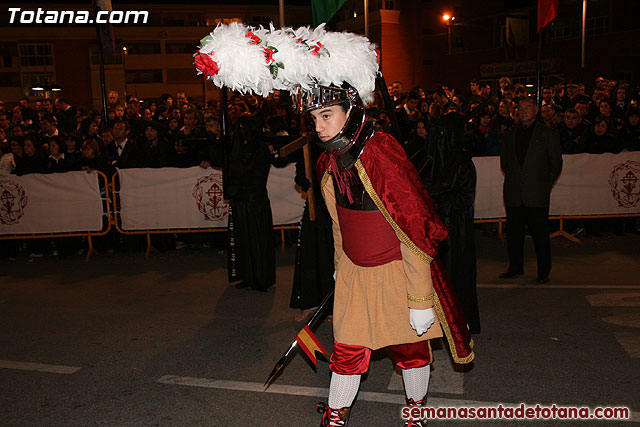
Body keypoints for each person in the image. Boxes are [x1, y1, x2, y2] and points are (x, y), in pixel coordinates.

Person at [195, 23, 473, 427]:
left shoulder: (382, 154)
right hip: (357, 275)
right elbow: (339, 227)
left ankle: (416, 410)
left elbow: (413, 231)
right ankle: (336, 413)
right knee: (347, 351)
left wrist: (418, 299)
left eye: (326, 115)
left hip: (399, 274)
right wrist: (342, 268)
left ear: (351, 110)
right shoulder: (330, 161)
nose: (319, 127)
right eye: (314, 118)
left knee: (410, 351)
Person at [499, 97, 563, 283]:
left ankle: (544, 271)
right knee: (514, 234)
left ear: (536, 110)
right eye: (520, 108)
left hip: (537, 193)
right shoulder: (509, 135)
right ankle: (515, 267)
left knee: (540, 235)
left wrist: (543, 184)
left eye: (528, 107)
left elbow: (556, 164)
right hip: (514, 193)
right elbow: (505, 164)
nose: (524, 111)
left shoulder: (548, 134)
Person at [226, 115, 276, 292]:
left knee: (257, 239)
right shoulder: (240, 148)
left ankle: (261, 277)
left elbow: (253, 174)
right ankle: (247, 275)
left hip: (254, 200)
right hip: (243, 200)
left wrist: (237, 183)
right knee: (244, 240)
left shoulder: (259, 149)